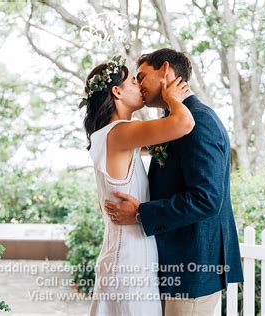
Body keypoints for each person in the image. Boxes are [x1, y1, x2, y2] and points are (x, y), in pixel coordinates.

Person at [104, 48, 244, 315]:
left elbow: (207, 199)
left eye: (142, 76)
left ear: (165, 70)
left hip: (193, 265)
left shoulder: (199, 122)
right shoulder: (176, 121)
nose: (139, 84)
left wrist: (140, 214)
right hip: (176, 261)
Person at [81, 55, 195, 316]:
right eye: (134, 81)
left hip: (127, 255)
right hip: (129, 261)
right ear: (117, 91)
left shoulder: (113, 136)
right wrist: (172, 99)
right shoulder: (120, 132)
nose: (140, 86)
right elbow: (185, 124)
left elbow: (161, 144)